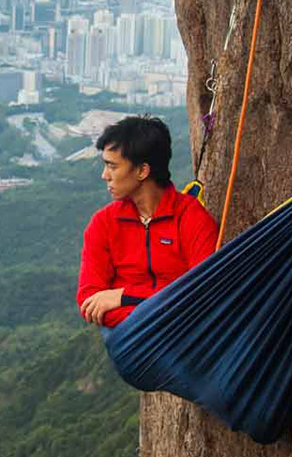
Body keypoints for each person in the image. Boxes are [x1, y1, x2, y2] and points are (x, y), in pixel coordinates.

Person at [77, 115, 218, 328]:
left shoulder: (191, 218)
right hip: (134, 342)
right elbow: (90, 301)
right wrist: (164, 309)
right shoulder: (103, 224)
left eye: (112, 167)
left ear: (142, 171)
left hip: (187, 338)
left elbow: (204, 291)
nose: (104, 175)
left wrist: (123, 296)